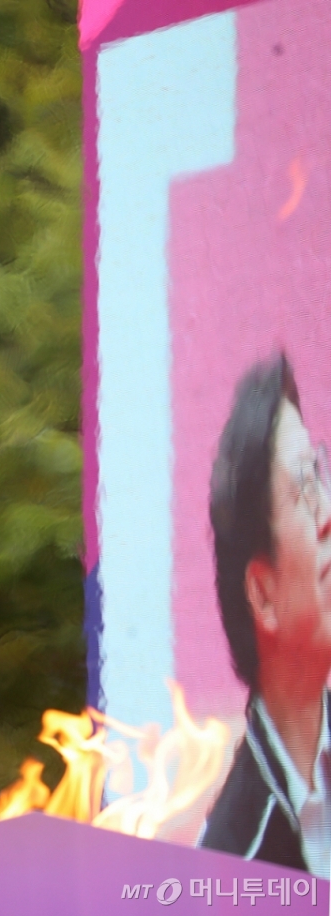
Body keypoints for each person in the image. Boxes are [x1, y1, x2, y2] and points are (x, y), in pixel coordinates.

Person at [201, 354, 331, 877]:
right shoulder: (232, 866)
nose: (328, 515)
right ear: (263, 595)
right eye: (304, 490)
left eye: (321, 475)